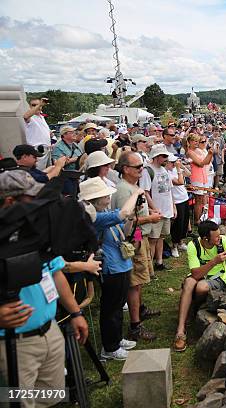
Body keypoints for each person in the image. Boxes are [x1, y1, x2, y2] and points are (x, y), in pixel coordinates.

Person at [0, 170, 90, 408]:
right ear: (10, 202)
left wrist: (76, 313)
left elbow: (56, 272)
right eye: (33, 201)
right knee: (18, 403)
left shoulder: (37, 235)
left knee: (51, 398)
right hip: (14, 344)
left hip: (50, 332)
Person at [79, 177, 141, 359]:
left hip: (121, 264)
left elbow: (126, 229)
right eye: (105, 195)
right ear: (95, 199)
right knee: (110, 307)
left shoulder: (104, 212)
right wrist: (136, 193)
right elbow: (122, 214)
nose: (108, 197)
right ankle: (110, 347)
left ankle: (117, 338)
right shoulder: (95, 217)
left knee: (118, 303)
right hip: (111, 267)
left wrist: (132, 218)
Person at [112, 152, 163, 341]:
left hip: (138, 238)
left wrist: (149, 210)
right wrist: (150, 217)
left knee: (139, 280)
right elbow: (125, 220)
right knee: (134, 283)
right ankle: (135, 325)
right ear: (125, 169)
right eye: (138, 167)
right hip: (131, 241)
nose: (142, 169)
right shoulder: (124, 190)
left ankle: (139, 310)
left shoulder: (131, 186)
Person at [173, 221, 226, 352]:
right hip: (200, 276)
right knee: (189, 282)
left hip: (219, 278)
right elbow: (195, 274)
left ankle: (193, 307)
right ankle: (180, 330)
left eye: (219, 235)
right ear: (205, 238)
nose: (219, 238)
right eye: (216, 236)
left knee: (201, 287)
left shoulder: (224, 241)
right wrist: (214, 262)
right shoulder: (193, 245)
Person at [141, 144, 176, 271]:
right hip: (157, 210)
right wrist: (154, 209)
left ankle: (159, 262)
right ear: (156, 157)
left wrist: (173, 207)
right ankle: (148, 267)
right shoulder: (147, 170)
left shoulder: (164, 170)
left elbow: (169, 190)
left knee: (161, 237)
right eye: (164, 156)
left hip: (166, 209)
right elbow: (145, 192)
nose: (166, 158)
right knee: (152, 239)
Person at [186, 133, 214, 223]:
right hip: (196, 177)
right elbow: (200, 163)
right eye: (194, 141)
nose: (196, 143)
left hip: (203, 175)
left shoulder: (198, 150)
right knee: (198, 198)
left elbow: (206, 162)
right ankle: (197, 220)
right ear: (189, 142)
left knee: (202, 198)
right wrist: (209, 155)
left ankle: (201, 217)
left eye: (197, 141)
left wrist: (210, 154)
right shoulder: (189, 152)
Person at [167, 154, 191, 257]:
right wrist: (178, 169)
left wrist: (182, 166)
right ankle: (174, 245)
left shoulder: (175, 169)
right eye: (172, 162)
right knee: (178, 224)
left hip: (184, 197)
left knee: (185, 222)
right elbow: (180, 182)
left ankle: (180, 242)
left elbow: (189, 174)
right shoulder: (168, 173)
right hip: (176, 200)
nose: (174, 164)